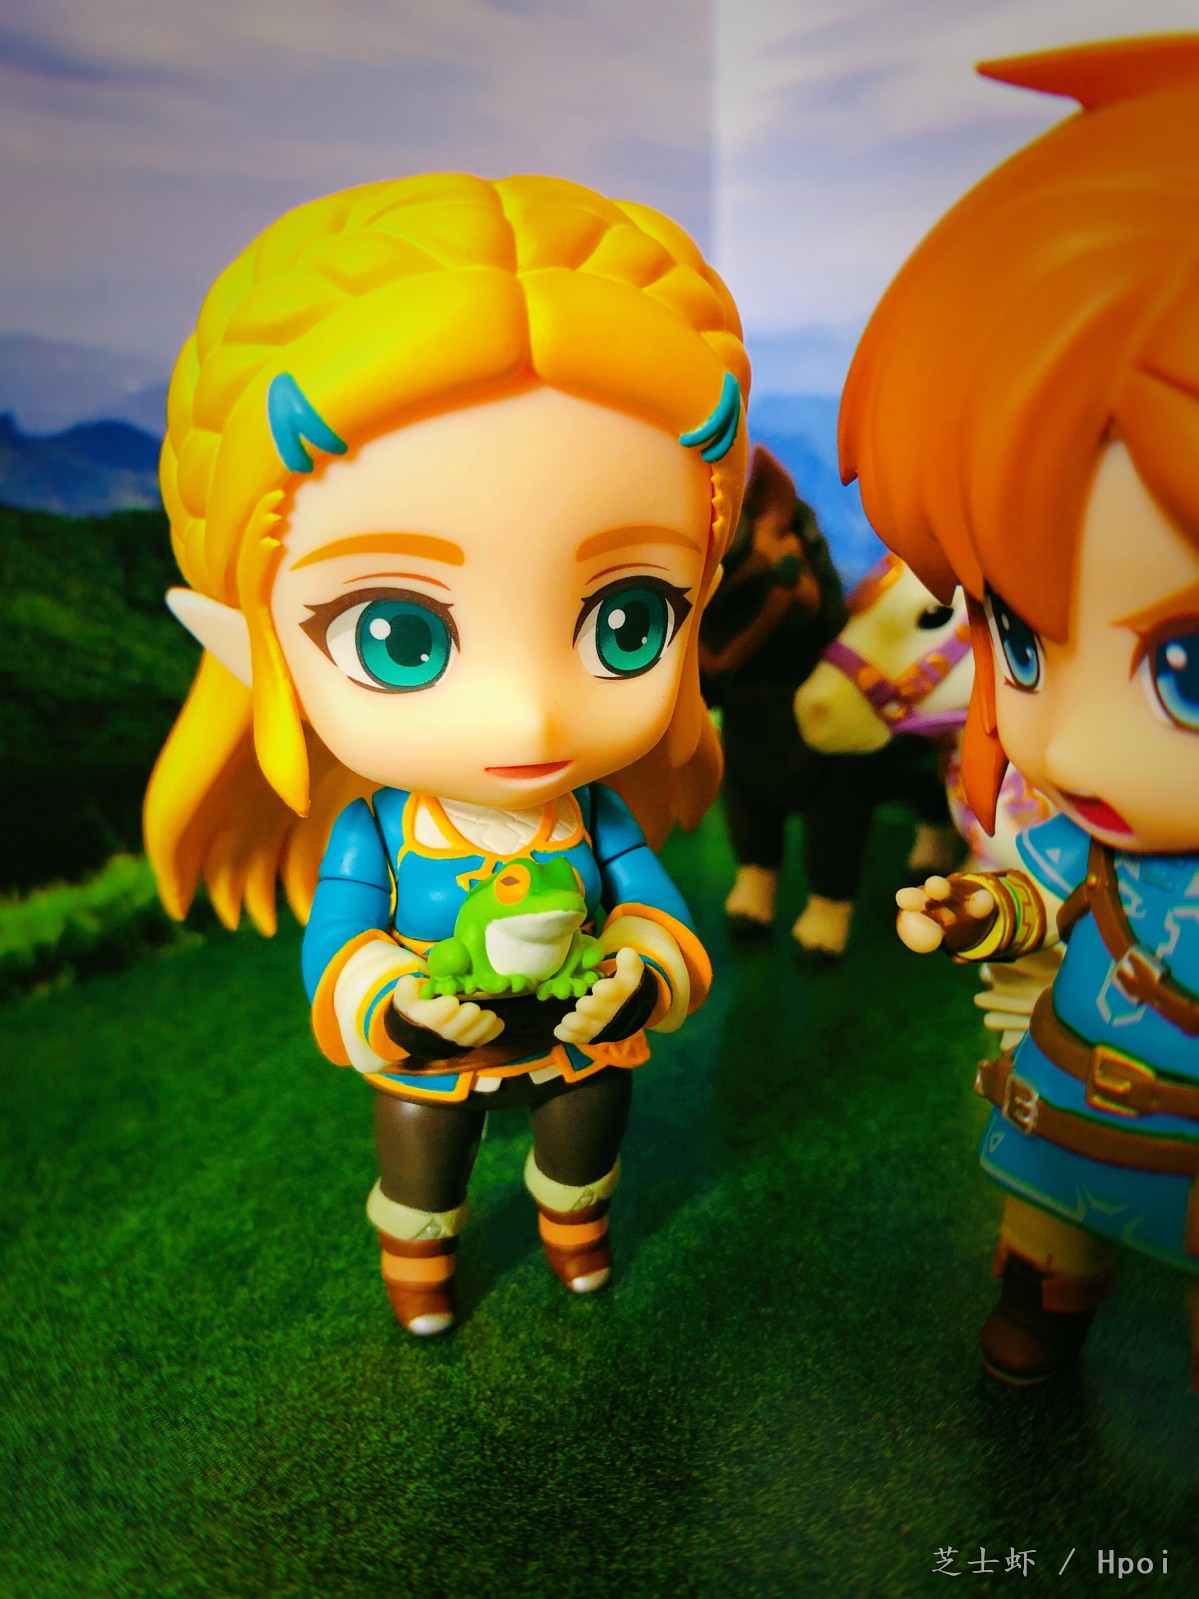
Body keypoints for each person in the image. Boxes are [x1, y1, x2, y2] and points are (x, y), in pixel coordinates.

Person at [144, 174, 749, 1335]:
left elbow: (651, 908)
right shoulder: (378, 831)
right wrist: (395, 1004)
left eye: (628, 620)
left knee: (585, 1140)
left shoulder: (590, 819)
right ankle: (419, 1265)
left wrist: (638, 967)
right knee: (422, 1156)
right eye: (399, 637)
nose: (527, 719)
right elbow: (340, 938)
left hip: (576, 1041)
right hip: (437, 1048)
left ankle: (575, 1232)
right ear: (247, 641)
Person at [840, 37, 1199, 1384]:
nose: (1076, 746)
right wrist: (978, 911)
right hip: (1073, 1091)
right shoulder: (1086, 817)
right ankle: (1039, 1310)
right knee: (1046, 1234)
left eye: (1182, 669)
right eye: (1018, 640)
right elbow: (1045, 889)